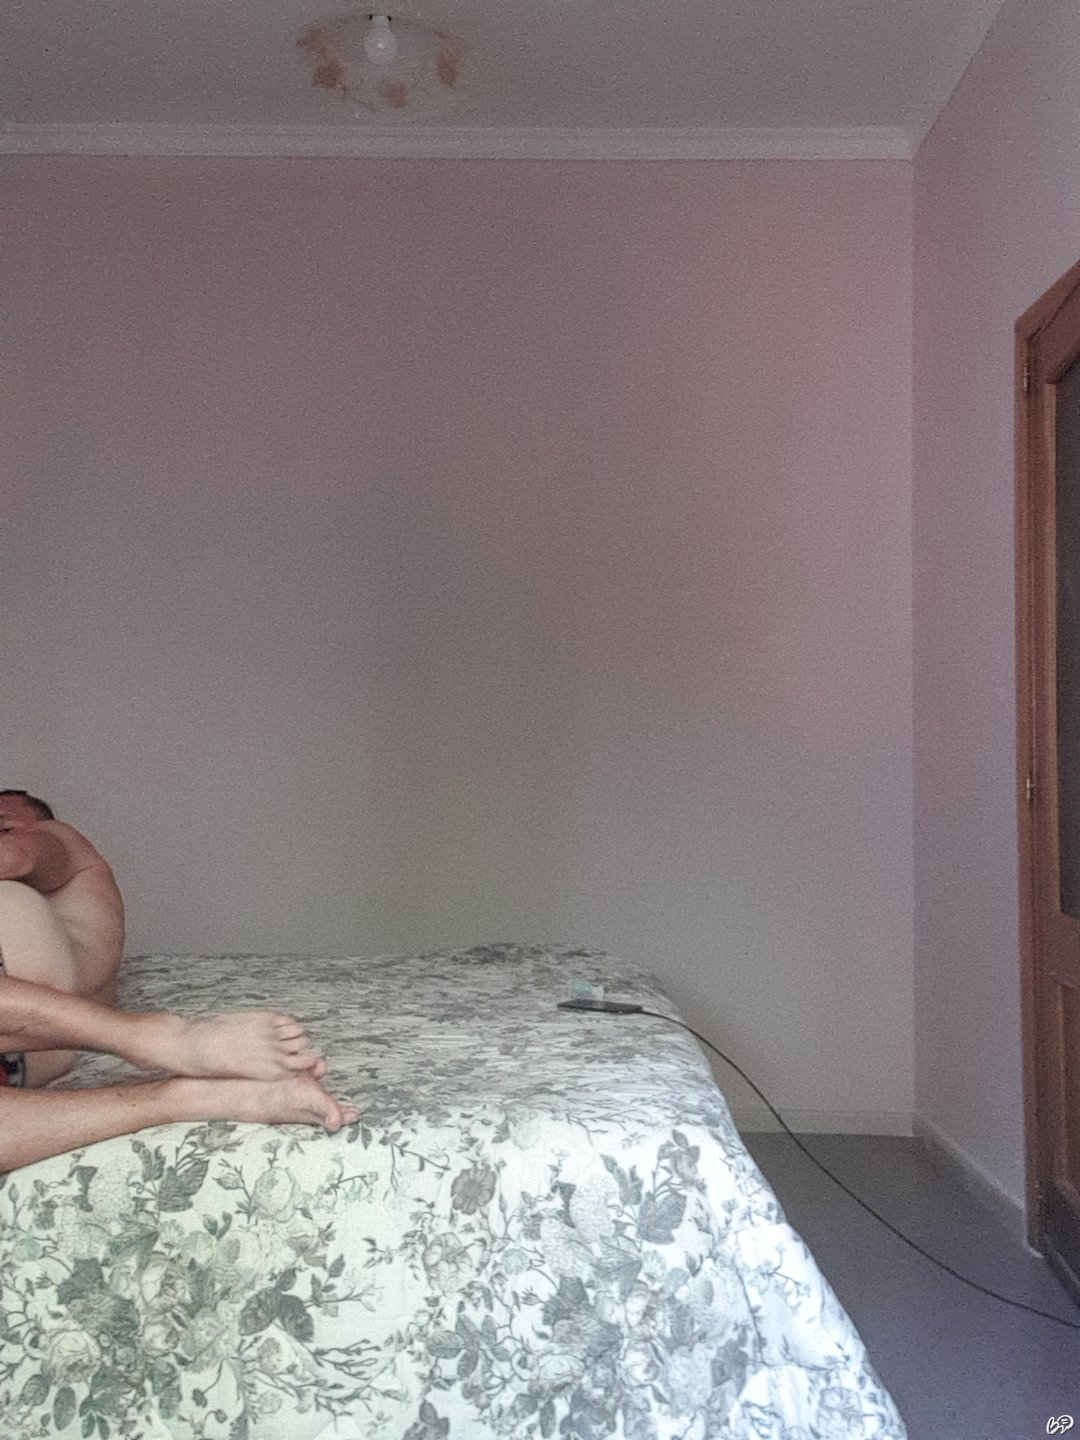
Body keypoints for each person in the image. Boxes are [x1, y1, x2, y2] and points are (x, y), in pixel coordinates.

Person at [0, 790, 359, 1171]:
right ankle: (189, 1098)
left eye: (4, 824)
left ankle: (163, 1038)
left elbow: (15, 857)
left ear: (39, 821)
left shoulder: (59, 841)